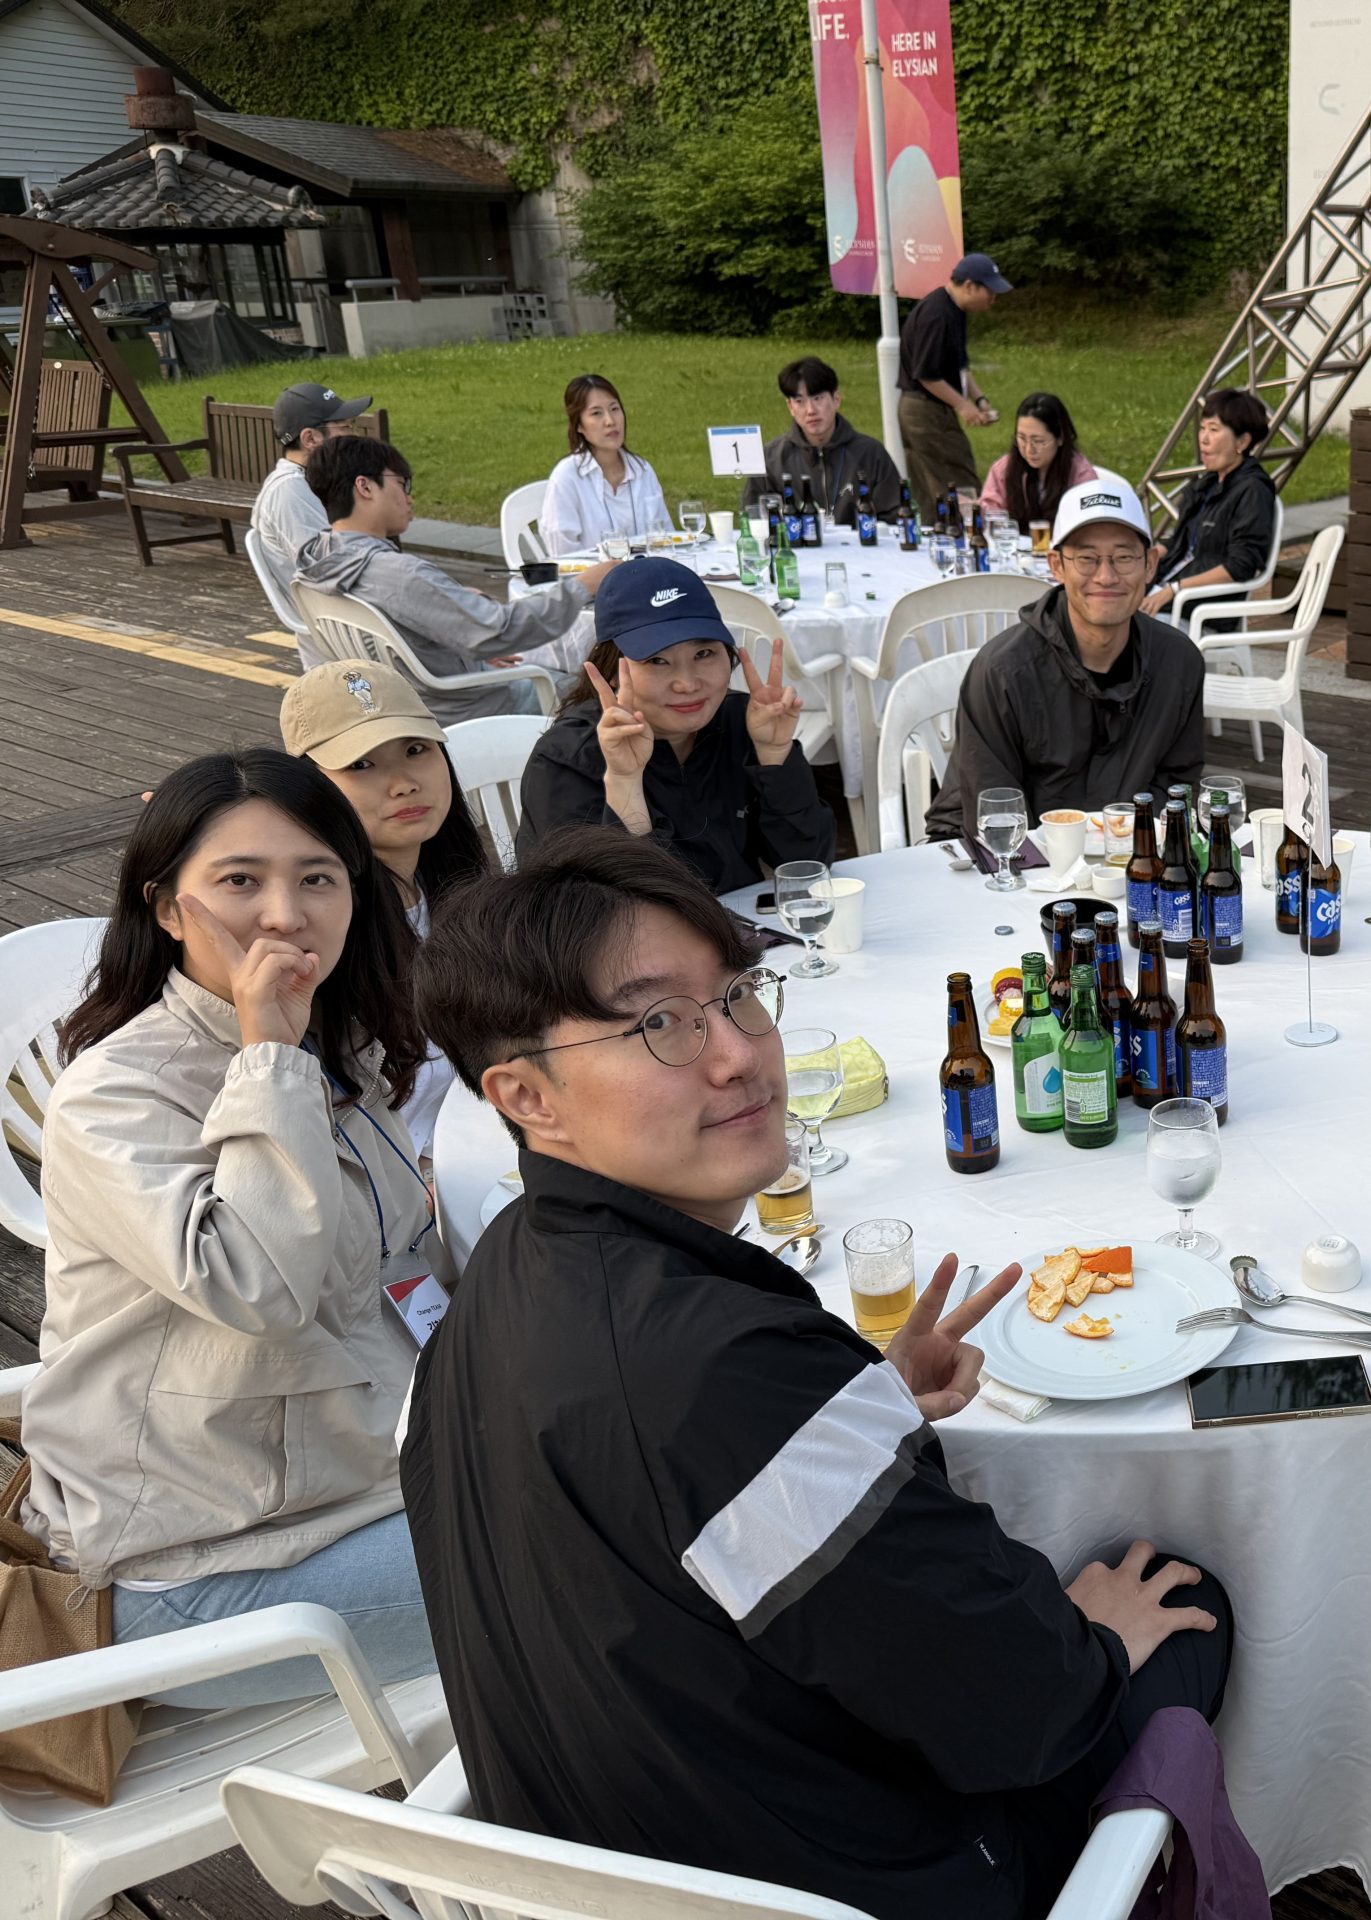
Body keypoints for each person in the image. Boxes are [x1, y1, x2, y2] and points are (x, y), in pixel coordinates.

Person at [403, 828, 1231, 1918]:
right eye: (659, 1024)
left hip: (596, 1862)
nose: (738, 1054)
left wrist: (857, 1406)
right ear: (527, 1097)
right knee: (1186, 1600)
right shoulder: (722, 1372)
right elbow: (1023, 1711)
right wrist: (1095, 1646)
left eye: (737, 994)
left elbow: (674, 1509)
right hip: (848, 1880)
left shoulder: (500, 1279)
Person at [25, 750, 442, 1707]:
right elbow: (258, 1287)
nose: (285, 915)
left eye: (318, 879)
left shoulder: (336, 1046)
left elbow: (396, 1257)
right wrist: (269, 1060)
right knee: (607, 1552)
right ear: (168, 910)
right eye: (240, 881)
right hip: (199, 1567)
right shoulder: (115, 1095)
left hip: (354, 1475)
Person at [517, 556, 833, 895]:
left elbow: (809, 865)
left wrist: (774, 756)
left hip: (742, 923)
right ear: (612, 672)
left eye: (703, 654)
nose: (687, 684)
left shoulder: (743, 722)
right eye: (657, 660)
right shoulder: (569, 759)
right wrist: (625, 783)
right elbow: (578, 909)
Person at [922, 471, 1206, 846]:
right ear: (1057, 565)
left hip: (1128, 857)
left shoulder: (1179, 663)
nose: (1106, 576)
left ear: (1150, 564)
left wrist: (1126, 852)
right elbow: (995, 814)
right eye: (1086, 558)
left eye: (1124, 557)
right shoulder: (1003, 672)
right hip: (1000, 856)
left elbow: (1177, 788)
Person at [280, 660, 490, 1161]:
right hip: (392, 1179)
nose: (403, 783)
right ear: (309, 788)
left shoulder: (453, 885)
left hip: (483, 1145)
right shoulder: (316, 927)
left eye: (415, 750)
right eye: (361, 764)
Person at [293, 437, 613, 725]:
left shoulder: (315, 564)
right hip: (468, 707)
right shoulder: (398, 574)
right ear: (365, 487)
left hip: (399, 705)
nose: (409, 497)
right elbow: (503, 630)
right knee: (599, 689)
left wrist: (459, 626)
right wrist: (583, 586)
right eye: (402, 484)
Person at [253, 381, 368, 664]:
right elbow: (333, 572)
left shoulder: (311, 483)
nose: (353, 436)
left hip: (355, 630)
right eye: (345, 427)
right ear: (310, 438)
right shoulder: (290, 492)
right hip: (345, 645)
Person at [1143, 389, 1280, 618]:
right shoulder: (1208, 484)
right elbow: (1180, 542)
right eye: (1202, 428)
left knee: (1119, 623)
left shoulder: (1253, 491)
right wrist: (1141, 556)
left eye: (1214, 430)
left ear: (1242, 441)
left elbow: (1241, 565)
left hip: (1200, 606)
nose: (1203, 439)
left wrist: (1175, 590)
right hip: (1170, 588)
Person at [897, 253, 1008, 506]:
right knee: (958, 480)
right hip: (924, 411)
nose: (993, 298)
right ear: (969, 286)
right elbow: (926, 375)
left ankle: (941, 525)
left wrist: (979, 400)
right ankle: (968, 526)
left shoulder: (956, 310)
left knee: (935, 488)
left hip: (929, 409)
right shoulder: (937, 315)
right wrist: (963, 406)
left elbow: (960, 365)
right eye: (990, 291)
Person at [744, 356, 902, 520]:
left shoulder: (871, 454)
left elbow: (894, 518)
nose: (810, 410)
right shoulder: (771, 459)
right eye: (799, 401)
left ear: (836, 400)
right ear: (790, 407)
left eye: (817, 398)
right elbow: (754, 518)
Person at [539, 372, 671, 556]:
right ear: (579, 425)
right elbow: (563, 557)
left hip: (648, 572)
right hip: (592, 575)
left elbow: (666, 539)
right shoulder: (567, 478)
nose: (610, 421)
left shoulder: (642, 470)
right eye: (596, 413)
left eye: (614, 409)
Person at [979, 392, 1097, 538]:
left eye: (1038, 441)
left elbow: (1087, 530)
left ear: (1060, 438)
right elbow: (990, 516)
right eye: (1022, 438)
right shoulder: (1003, 469)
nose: (1029, 449)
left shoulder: (1081, 476)